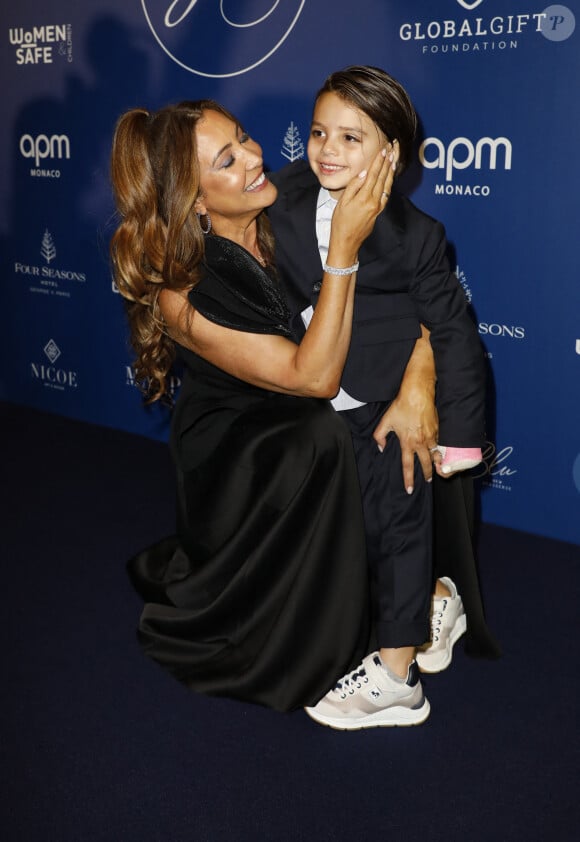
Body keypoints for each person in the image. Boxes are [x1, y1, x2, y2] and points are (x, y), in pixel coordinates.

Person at [109, 99, 426, 717]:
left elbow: (417, 285)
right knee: (321, 431)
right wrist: (343, 249)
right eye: (227, 160)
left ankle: (417, 590)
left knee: (403, 410)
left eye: (245, 138)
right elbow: (312, 378)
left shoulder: (293, 200)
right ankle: (321, 634)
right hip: (238, 446)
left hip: (305, 404)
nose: (256, 158)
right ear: (196, 202)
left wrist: (418, 379)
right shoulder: (182, 293)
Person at [268, 66, 500, 730]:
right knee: (352, 531)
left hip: (383, 403)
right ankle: (435, 597)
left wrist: (457, 437)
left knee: (399, 521)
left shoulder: (416, 236)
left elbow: (453, 331)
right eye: (319, 133)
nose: (328, 150)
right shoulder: (279, 199)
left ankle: (398, 677)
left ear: (391, 154)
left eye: (351, 137)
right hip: (311, 400)